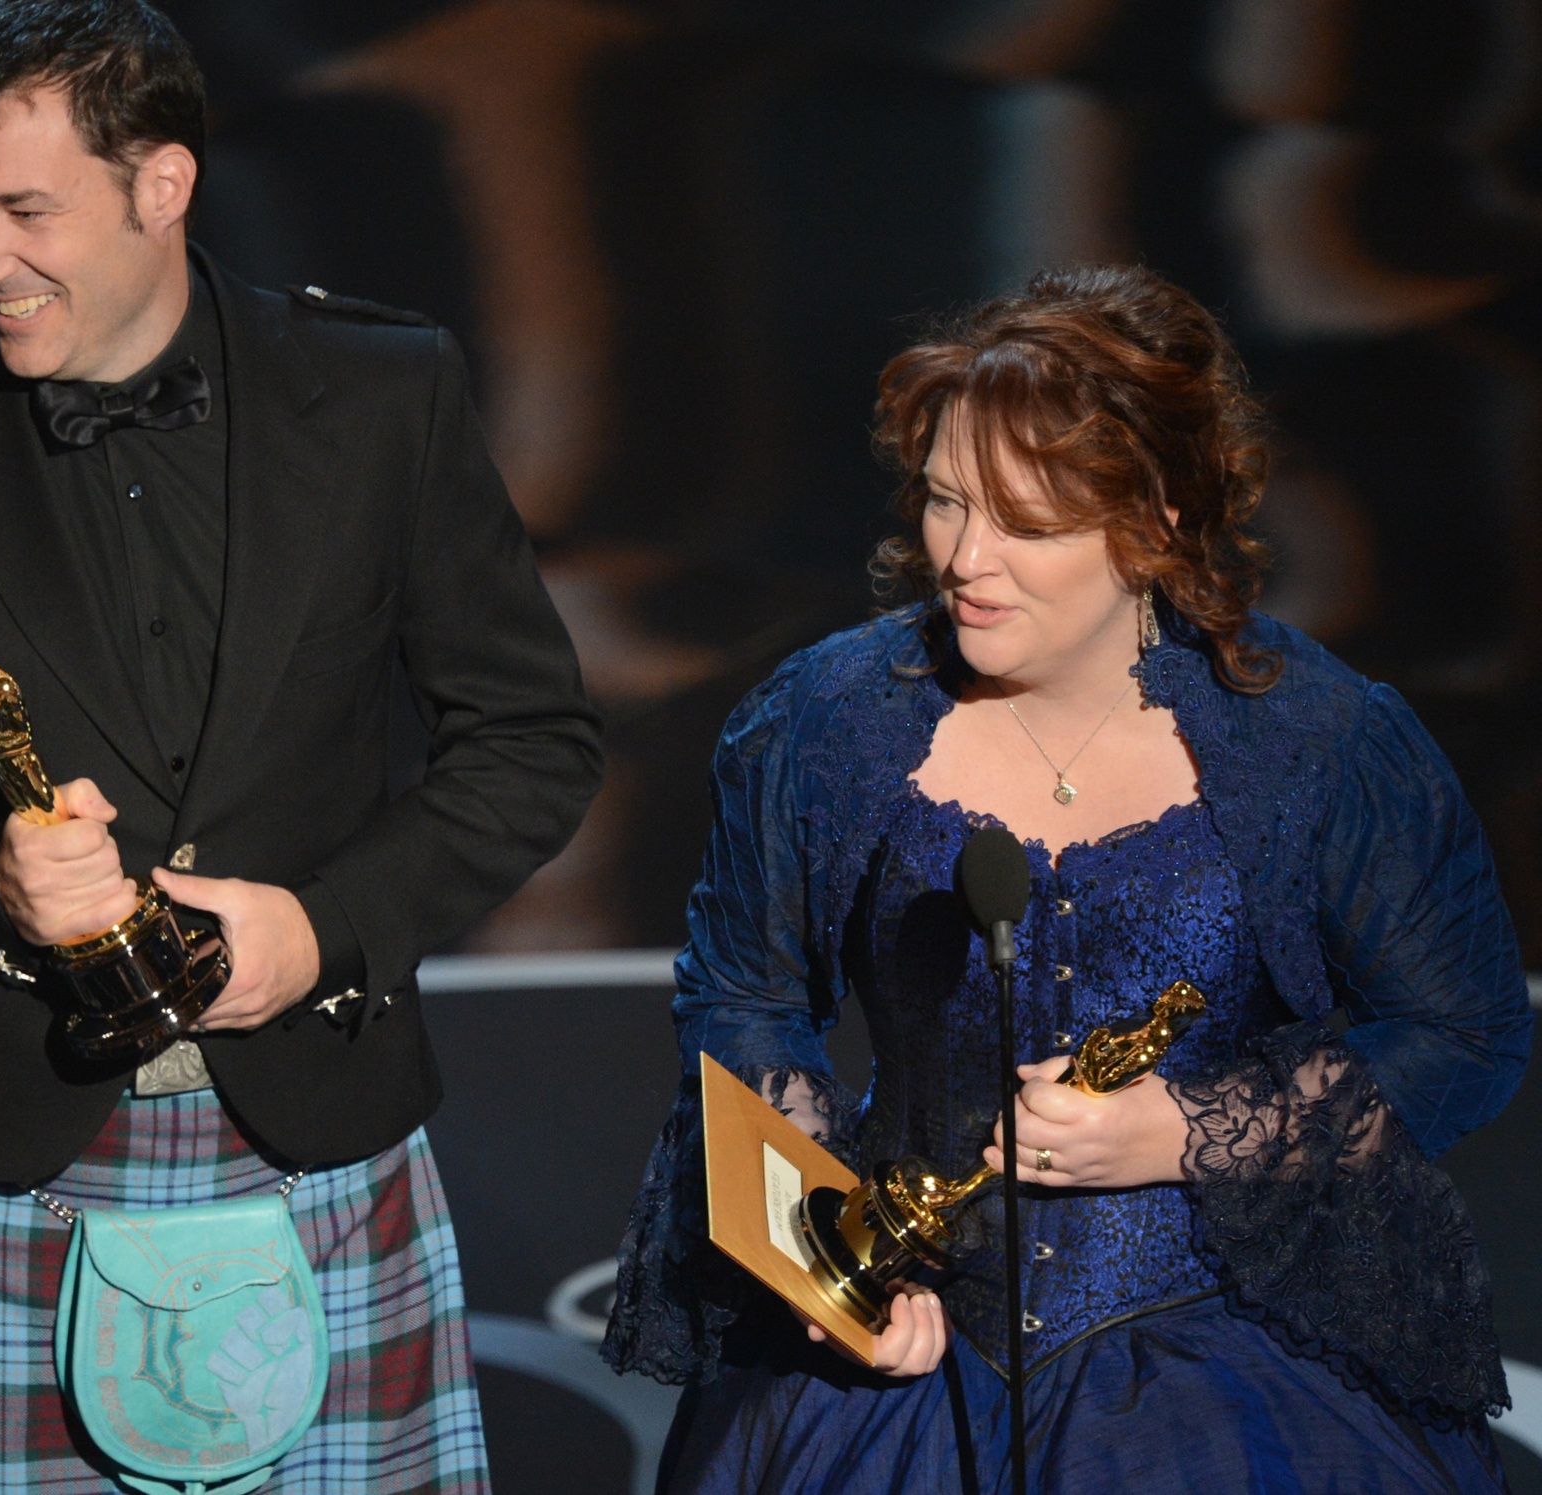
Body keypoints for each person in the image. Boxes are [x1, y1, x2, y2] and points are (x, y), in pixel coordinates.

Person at [0, 2, 603, 1490]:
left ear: (162, 185)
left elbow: (531, 737)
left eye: (25, 210)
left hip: (312, 1134)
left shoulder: (383, 393)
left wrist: (325, 928)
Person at [602, 264, 1530, 1492]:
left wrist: (1186, 1130)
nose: (963, 560)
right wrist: (818, 1272)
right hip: (902, 1358)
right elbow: (744, 1002)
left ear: (1151, 525)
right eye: (942, 504)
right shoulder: (823, 722)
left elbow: (1459, 1028)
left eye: (1022, 524)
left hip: (1232, 1358)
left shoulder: (1316, 739)